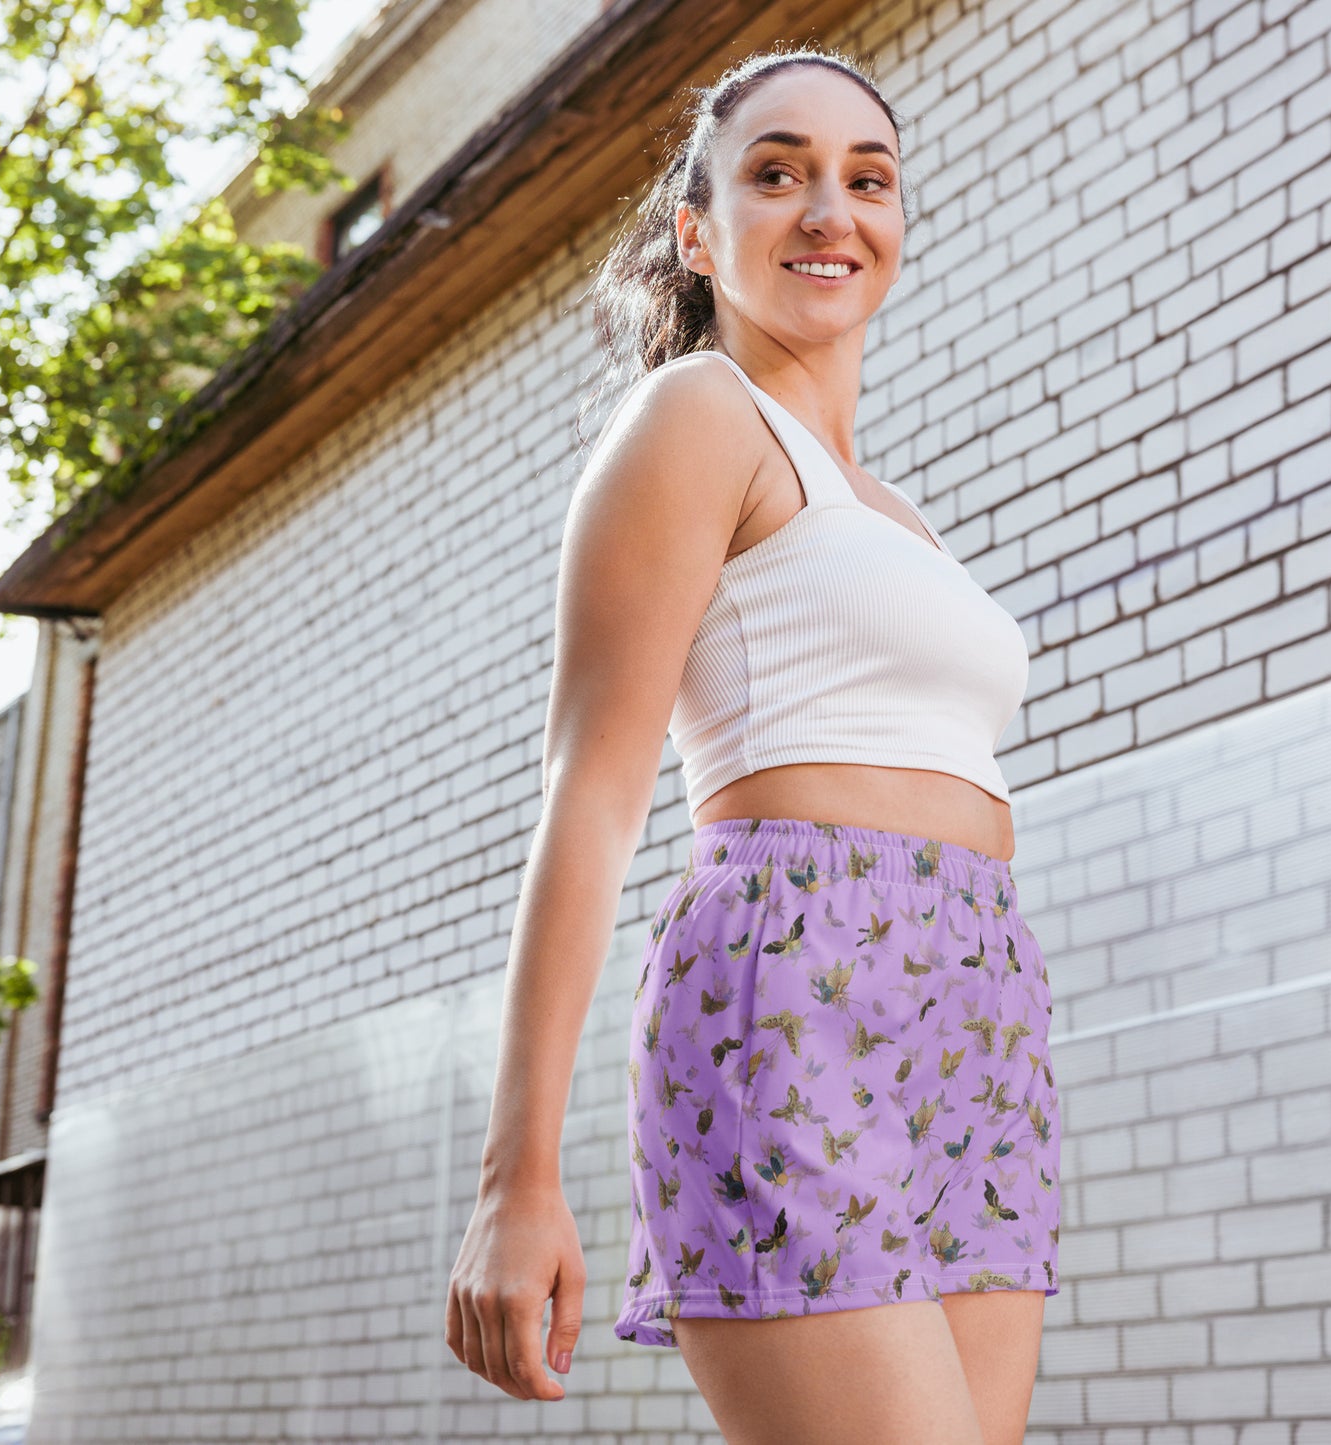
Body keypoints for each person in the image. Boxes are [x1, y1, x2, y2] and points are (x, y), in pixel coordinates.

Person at [445, 44, 1061, 1445]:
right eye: (776, 173)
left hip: (976, 1007)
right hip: (792, 981)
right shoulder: (694, 417)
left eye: (867, 179)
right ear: (696, 230)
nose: (828, 210)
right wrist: (515, 1176)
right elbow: (589, 795)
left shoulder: (896, 508)